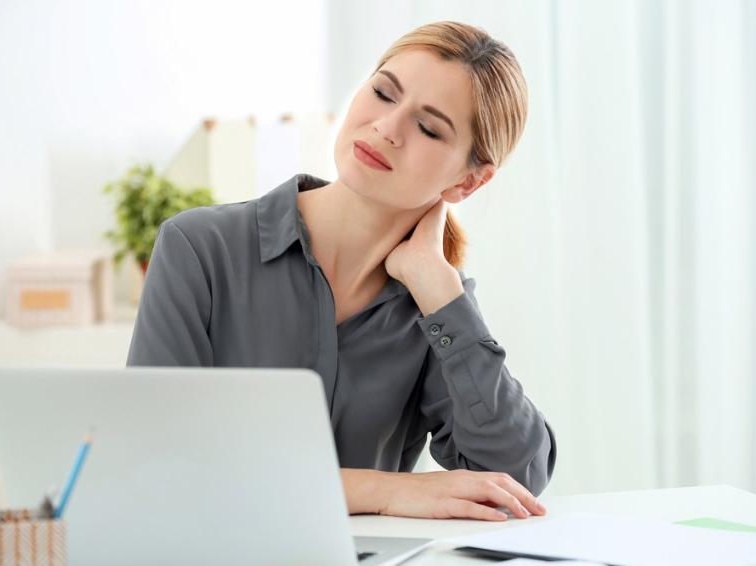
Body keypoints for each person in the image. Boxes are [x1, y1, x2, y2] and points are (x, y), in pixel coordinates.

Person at [127, 20, 556, 522]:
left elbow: (515, 479)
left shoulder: (435, 305)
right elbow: (155, 464)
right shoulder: (200, 249)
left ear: (469, 181)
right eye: (383, 93)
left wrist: (443, 296)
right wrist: (387, 491)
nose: (387, 128)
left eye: (428, 127)